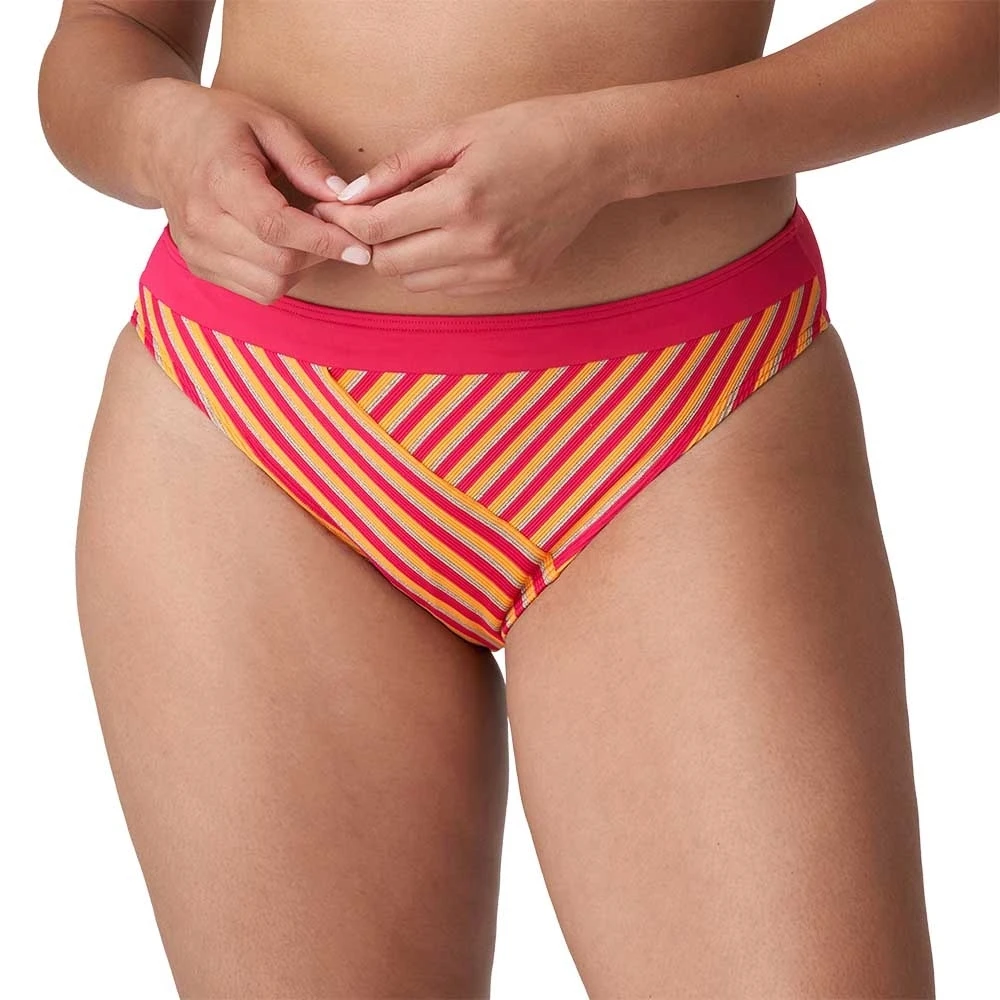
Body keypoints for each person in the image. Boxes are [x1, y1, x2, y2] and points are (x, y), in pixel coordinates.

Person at [37, 1, 997, 996]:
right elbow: (110, 29)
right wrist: (157, 134)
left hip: (677, 409)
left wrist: (621, 150)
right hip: (248, 419)